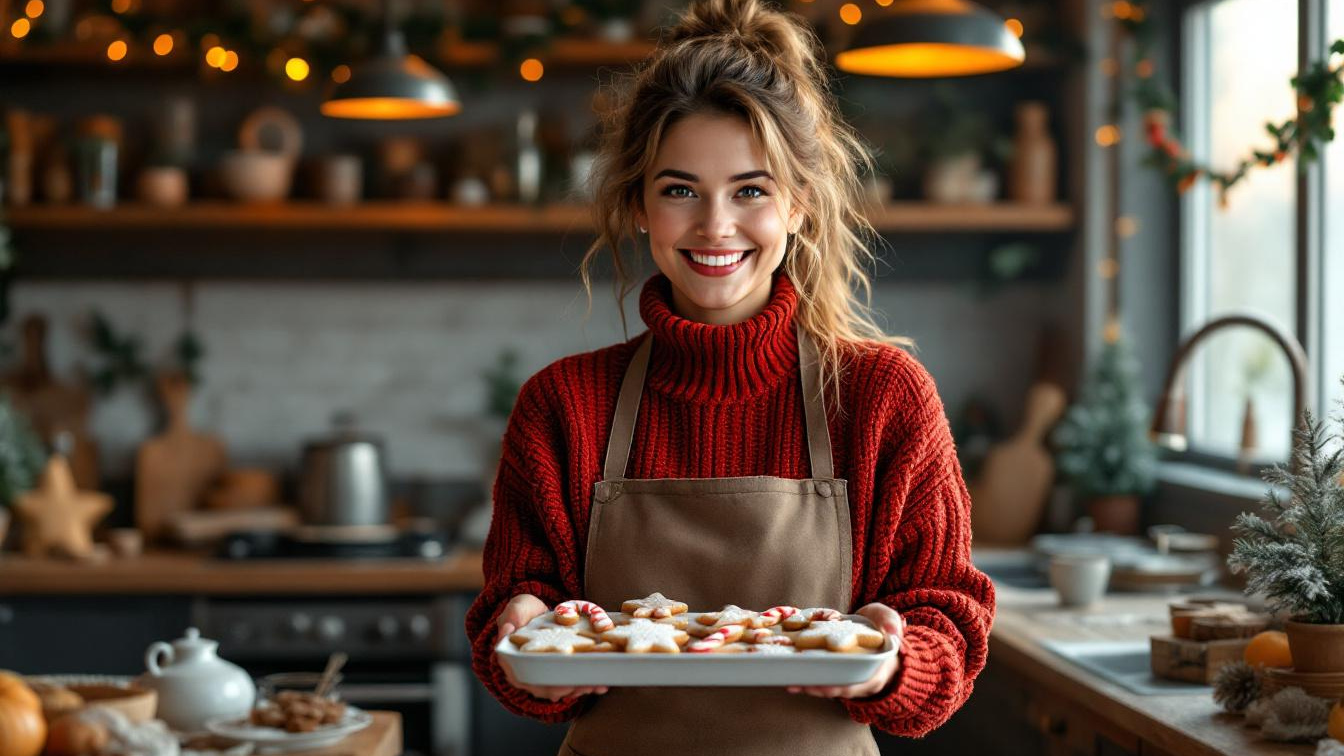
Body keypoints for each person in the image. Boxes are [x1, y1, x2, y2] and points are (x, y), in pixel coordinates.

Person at [465, 0, 996, 751]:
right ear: (640, 206)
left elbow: (951, 627)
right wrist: (519, 642)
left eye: (751, 190)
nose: (716, 225)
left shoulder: (881, 398)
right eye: (681, 190)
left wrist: (894, 658)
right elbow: (513, 618)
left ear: (800, 206)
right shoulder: (564, 405)